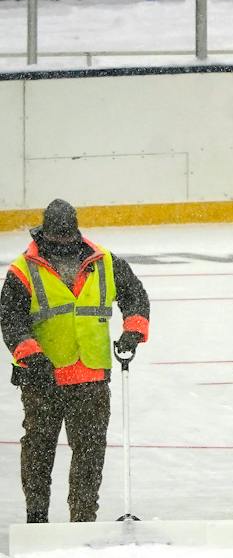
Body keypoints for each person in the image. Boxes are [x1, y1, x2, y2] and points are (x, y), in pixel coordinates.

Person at [3, 199, 151, 523]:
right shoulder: (23, 269)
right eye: (57, 242)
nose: (63, 246)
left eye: (68, 240)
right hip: (43, 380)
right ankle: (37, 517)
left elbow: (134, 295)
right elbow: (11, 319)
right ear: (44, 234)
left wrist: (134, 331)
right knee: (39, 453)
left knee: (89, 456)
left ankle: (83, 520)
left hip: (91, 379)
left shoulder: (105, 262)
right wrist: (32, 356)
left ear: (76, 232)